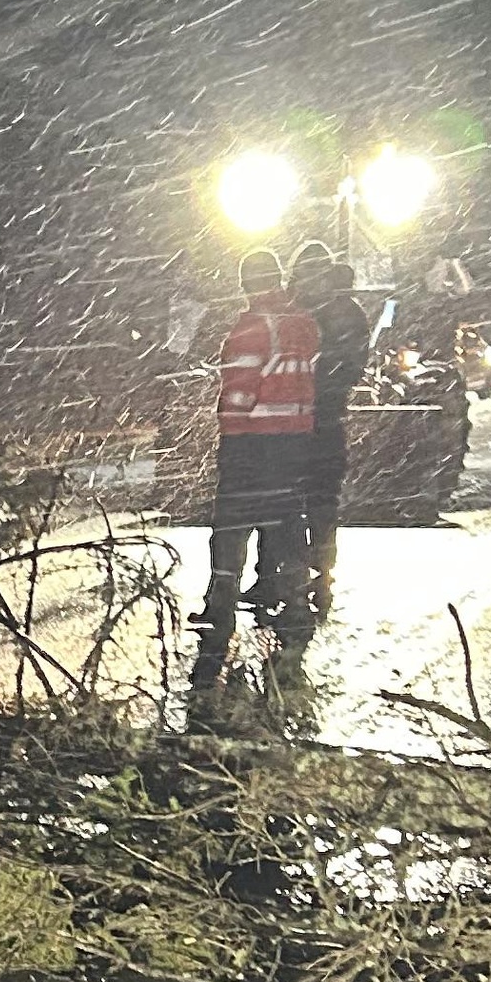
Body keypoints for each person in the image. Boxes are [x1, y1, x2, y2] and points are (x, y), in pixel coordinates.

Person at [190, 248, 319, 689]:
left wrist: (230, 435)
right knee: (285, 523)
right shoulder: (301, 327)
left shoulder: (249, 331)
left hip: (253, 444)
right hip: (294, 441)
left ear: (245, 283)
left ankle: (220, 602)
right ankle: (297, 601)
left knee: (230, 526)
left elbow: (239, 395)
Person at [287, 240, 372, 623]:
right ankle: (310, 571)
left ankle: (309, 573)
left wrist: (312, 387)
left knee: (306, 499)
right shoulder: (342, 312)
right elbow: (352, 365)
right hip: (316, 419)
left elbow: (350, 366)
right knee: (318, 500)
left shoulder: (303, 311)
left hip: (308, 419)